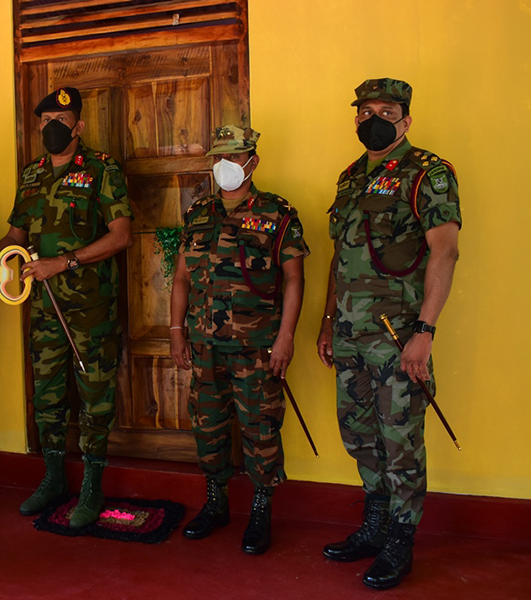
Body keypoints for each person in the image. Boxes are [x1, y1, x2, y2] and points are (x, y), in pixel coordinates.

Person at [316, 78, 461, 590]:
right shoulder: (351, 177)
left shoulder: (428, 173)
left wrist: (426, 331)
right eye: (365, 110)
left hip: (398, 335)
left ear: (406, 119)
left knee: (401, 439)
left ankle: (402, 536)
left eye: (386, 110)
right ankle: (375, 523)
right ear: (356, 118)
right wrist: (329, 321)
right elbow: (341, 256)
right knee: (359, 435)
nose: (373, 117)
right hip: (353, 333)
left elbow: (444, 251)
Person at [0, 87, 133, 528]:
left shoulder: (102, 170)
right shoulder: (32, 174)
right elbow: (17, 236)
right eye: (45, 122)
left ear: (78, 127)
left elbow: (121, 236)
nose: (52, 128)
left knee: (95, 398)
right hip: (42, 307)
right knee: (47, 397)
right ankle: (54, 478)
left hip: (90, 308)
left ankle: (92, 487)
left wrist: (65, 261)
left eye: (61, 121)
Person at [169, 126, 308, 554]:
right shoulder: (198, 213)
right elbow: (180, 278)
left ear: (253, 161)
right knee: (208, 429)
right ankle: (216, 504)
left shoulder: (276, 212)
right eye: (218, 157)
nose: (224, 165)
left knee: (260, 429)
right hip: (205, 346)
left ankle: (261, 511)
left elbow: (294, 278)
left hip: (256, 348)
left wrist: (286, 338)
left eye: (235, 155)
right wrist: (176, 331)